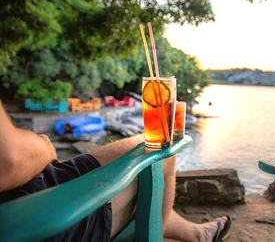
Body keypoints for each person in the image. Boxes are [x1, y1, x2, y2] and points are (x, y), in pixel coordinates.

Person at [0, 100, 231, 242]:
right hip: (42, 217)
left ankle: (191, 233)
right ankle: (167, 230)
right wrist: (43, 147)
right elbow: (10, 160)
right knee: (162, 155)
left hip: (34, 191)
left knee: (151, 171)